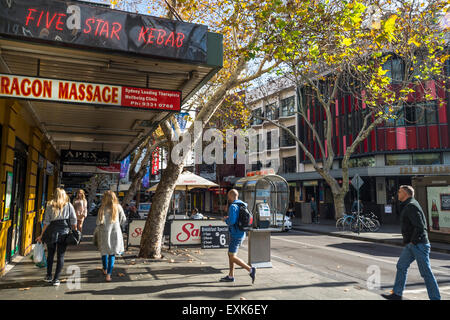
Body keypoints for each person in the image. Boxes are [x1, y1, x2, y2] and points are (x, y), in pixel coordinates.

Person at [381, 185, 441, 300]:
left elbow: (420, 227)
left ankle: (435, 298)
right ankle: (397, 294)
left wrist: (413, 241)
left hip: (419, 245)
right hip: (412, 245)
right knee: (401, 266)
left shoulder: (411, 206)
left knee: (426, 273)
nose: (397, 194)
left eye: (400, 192)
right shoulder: (408, 205)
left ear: (406, 194)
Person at [36, 188, 77, 286]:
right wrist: (75, 231)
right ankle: (56, 279)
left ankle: (49, 276)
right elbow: (74, 220)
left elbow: (46, 222)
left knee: (50, 254)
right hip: (64, 232)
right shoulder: (68, 205)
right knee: (61, 256)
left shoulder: (50, 205)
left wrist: (41, 235)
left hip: (51, 232)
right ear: (64, 195)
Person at [220, 189, 256, 284]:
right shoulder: (242, 205)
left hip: (235, 234)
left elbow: (232, 221)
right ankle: (231, 275)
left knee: (232, 256)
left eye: (228, 196)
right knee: (231, 254)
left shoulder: (233, 206)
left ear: (231, 196)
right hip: (241, 232)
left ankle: (250, 269)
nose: (227, 198)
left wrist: (225, 220)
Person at [94, 191, 127, 282]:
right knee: (112, 253)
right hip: (115, 232)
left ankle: (104, 269)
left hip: (104, 232)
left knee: (104, 251)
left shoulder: (102, 208)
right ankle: (109, 275)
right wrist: (117, 224)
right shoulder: (118, 207)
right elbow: (123, 219)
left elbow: (97, 222)